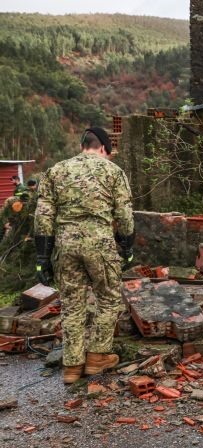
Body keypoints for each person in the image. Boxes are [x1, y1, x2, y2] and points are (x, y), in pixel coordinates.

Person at [35, 127, 135, 385]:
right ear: (103, 147)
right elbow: (124, 214)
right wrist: (128, 246)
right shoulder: (113, 171)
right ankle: (97, 356)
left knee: (72, 304)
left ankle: (72, 365)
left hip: (65, 246)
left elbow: (43, 216)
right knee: (109, 297)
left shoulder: (55, 171)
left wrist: (42, 257)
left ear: (83, 145)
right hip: (99, 243)